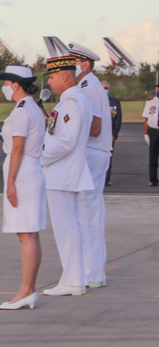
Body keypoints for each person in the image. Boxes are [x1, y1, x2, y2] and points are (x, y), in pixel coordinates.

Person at [40, 56, 94, 297]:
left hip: (62, 173)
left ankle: (72, 280)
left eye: (51, 77)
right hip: (64, 172)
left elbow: (66, 141)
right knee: (70, 228)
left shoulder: (71, 101)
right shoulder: (71, 100)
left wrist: (40, 157)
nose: (49, 82)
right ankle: (74, 278)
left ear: (64, 77)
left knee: (66, 229)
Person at [0, 65, 47, 310]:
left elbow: (17, 148)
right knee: (30, 234)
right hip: (30, 169)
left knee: (26, 235)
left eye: (5, 83)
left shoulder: (22, 110)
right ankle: (29, 289)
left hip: (23, 171)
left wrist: (11, 182)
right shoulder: (31, 107)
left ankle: (25, 291)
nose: (4, 87)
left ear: (15, 84)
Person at [70, 42, 113, 289]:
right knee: (91, 212)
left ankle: (91, 273)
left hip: (92, 153)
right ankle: (94, 271)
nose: (72, 67)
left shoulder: (88, 88)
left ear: (85, 63)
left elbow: (94, 129)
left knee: (87, 213)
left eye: (74, 62)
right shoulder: (89, 86)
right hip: (96, 153)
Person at [101, 81, 121, 186]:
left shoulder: (114, 102)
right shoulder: (95, 101)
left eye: (106, 88)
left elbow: (118, 120)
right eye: (103, 88)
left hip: (109, 135)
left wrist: (114, 134)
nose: (105, 90)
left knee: (108, 157)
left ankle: (107, 178)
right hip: (98, 134)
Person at [142, 82, 159, 186]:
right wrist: (146, 133)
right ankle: (153, 180)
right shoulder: (150, 102)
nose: (157, 91)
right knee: (153, 157)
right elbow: (146, 118)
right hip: (153, 131)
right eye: (156, 90)